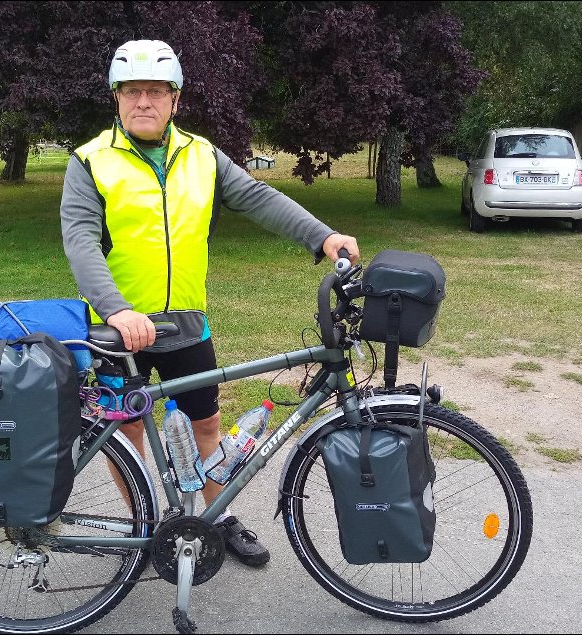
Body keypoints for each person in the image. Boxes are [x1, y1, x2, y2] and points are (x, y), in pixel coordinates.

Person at [60, 39, 360, 568]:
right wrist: (116, 310)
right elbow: (81, 241)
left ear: (175, 99)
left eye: (155, 91)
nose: (143, 102)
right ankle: (146, 526)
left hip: (187, 324)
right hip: (118, 330)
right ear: (116, 99)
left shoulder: (202, 155)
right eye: (132, 92)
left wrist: (322, 236)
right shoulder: (90, 162)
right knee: (128, 434)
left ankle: (213, 518)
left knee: (207, 427)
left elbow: (260, 198)